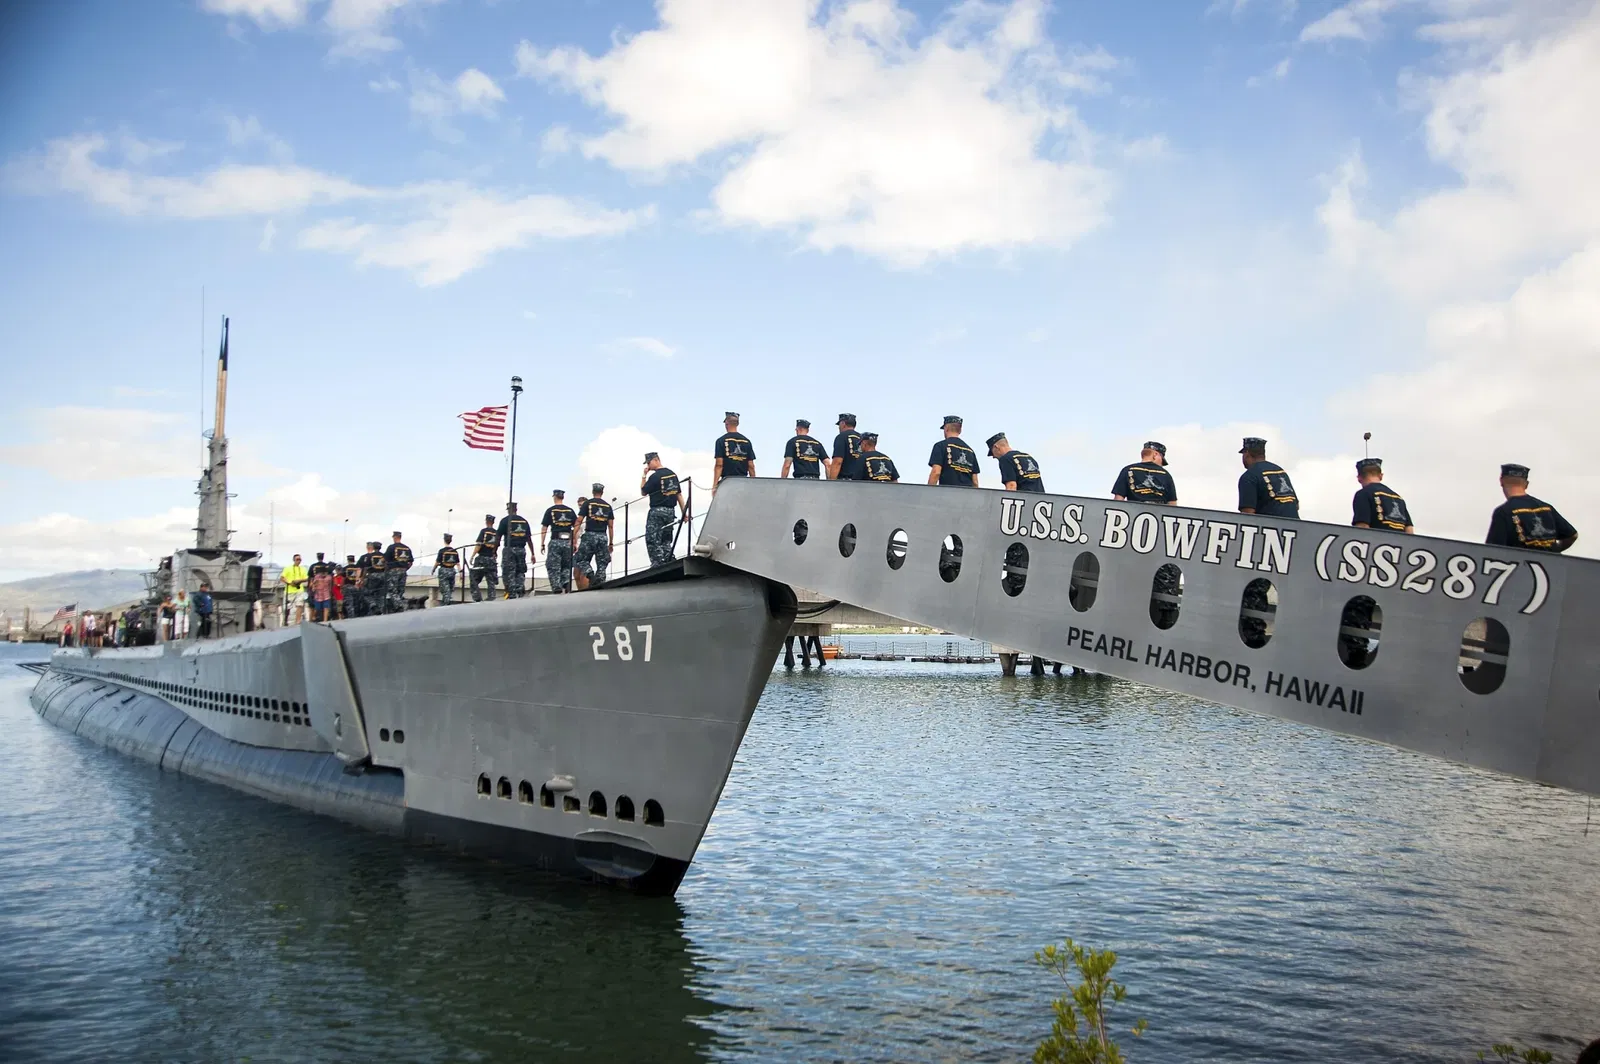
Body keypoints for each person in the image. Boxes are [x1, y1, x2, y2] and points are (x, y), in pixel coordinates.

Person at [1486, 464, 1578, 552]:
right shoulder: (1547, 508)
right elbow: (1572, 535)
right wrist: (1554, 552)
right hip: (1551, 563)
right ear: (1526, 484)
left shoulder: (1503, 512)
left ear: (1501, 481)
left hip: (1520, 563)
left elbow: (1492, 551)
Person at [641, 452, 687, 566]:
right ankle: (669, 558)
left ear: (656, 460)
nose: (648, 465)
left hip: (657, 511)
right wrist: (684, 512)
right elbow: (679, 495)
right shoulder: (672, 474)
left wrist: (644, 476)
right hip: (670, 512)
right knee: (666, 539)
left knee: (652, 538)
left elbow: (643, 491)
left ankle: (657, 562)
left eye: (649, 462)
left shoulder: (654, 477)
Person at [1237, 437, 1299, 518]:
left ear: (1247, 453)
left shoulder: (1249, 477)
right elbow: (1296, 505)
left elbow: (1247, 515)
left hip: (1270, 525)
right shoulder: (1280, 471)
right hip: (1296, 524)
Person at [1351, 458, 1413, 532]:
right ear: (1381, 476)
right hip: (1400, 539)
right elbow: (1409, 530)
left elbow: (1362, 526)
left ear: (1359, 478)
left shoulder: (1363, 494)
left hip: (1375, 539)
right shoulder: (1398, 498)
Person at [575, 484, 615, 587]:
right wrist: (611, 543)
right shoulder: (608, 506)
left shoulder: (588, 503)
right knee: (602, 562)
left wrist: (574, 536)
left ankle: (591, 575)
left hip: (590, 535)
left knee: (581, 559)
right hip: (602, 536)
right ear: (602, 492)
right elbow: (611, 526)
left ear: (593, 492)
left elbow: (579, 520)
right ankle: (600, 581)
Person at [1112, 442, 1177, 504]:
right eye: (1162, 460)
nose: (1161, 464)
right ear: (1155, 455)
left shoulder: (1127, 470)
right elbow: (1172, 504)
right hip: (1159, 510)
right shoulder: (1165, 474)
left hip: (1134, 510)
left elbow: (1118, 500)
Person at [540, 490, 578, 593]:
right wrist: (574, 542)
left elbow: (544, 528)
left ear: (554, 497)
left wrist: (542, 543)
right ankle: (566, 582)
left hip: (555, 540)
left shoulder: (550, 510)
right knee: (566, 565)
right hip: (568, 542)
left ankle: (556, 586)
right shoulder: (570, 511)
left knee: (553, 565)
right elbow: (576, 526)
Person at [928, 415, 979, 487]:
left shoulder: (940, 446)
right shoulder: (970, 451)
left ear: (946, 428)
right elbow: (975, 482)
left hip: (947, 492)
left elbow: (936, 472)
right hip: (967, 493)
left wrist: (929, 491)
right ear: (960, 430)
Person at [712, 412, 756, 493]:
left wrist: (714, 486)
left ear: (726, 423)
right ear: (737, 424)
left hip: (727, 483)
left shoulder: (721, 441)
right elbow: (751, 466)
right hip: (743, 483)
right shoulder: (747, 441)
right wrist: (753, 484)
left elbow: (719, 465)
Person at [497, 503, 533, 598]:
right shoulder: (524, 521)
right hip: (521, 549)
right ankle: (520, 591)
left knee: (508, 572)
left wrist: (494, 551)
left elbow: (498, 537)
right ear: (516, 509)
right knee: (520, 571)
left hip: (509, 549)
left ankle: (511, 593)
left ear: (508, 510)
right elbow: (529, 539)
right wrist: (532, 553)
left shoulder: (505, 521)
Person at [469, 514, 499, 602]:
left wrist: (472, 556)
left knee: (474, 579)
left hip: (482, 558)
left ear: (486, 521)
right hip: (491, 559)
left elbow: (479, 544)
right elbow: (497, 545)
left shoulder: (483, 531)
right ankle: (491, 597)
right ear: (493, 522)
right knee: (491, 580)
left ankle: (477, 598)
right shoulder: (496, 533)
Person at [383, 531, 414, 613]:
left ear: (394, 537)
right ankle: (396, 608)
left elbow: (385, 560)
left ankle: (399, 606)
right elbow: (410, 562)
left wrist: (387, 570)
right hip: (403, 571)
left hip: (393, 571)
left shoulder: (391, 547)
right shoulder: (407, 548)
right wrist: (405, 568)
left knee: (392, 590)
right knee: (400, 590)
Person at [829, 413, 865, 481]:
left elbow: (837, 462)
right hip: (861, 481)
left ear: (843, 424)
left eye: (839, 425)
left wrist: (831, 482)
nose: (839, 427)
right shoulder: (863, 439)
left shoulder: (841, 437)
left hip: (845, 481)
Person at [358, 541, 387, 616]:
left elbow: (366, 568)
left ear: (373, 547)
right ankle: (380, 610)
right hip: (383, 575)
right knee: (381, 595)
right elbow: (387, 566)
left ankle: (373, 606)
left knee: (367, 593)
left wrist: (362, 578)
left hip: (372, 576)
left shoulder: (369, 556)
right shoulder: (384, 556)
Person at [433, 533, 461, 605]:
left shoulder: (442, 551)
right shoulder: (454, 551)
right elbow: (458, 563)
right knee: (450, 589)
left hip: (444, 571)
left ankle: (446, 604)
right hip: (452, 571)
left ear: (444, 540)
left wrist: (433, 569)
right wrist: (460, 573)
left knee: (445, 590)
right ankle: (447, 602)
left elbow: (437, 562)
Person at [281, 554, 309, 625]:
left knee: (299, 605)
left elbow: (306, 578)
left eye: (300, 559)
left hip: (299, 590)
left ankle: (298, 621)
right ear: (294, 560)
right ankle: (285, 621)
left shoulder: (303, 569)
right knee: (287, 608)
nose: (299, 561)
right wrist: (290, 583)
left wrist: (299, 581)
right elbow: (282, 578)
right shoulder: (287, 568)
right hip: (289, 591)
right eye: (297, 559)